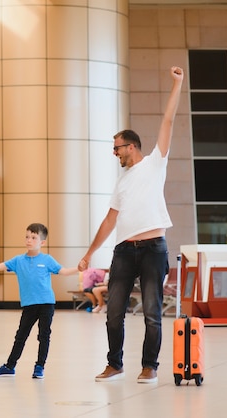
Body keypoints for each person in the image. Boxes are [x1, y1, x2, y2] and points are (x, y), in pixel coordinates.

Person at [78, 66, 184, 384]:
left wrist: (177, 84)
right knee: (113, 313)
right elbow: (110, 219)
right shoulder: (121, 183)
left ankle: (149, 366)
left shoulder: (155, 163)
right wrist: (89, 252)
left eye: (117, 148)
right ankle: (115, 363)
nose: (114, 153)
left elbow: (168, 121)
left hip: (153, 248)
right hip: (124, 250)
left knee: (152, 311)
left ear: (132, 147)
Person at [0, 223, 78, 379]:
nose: (29, 240)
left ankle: (39, 367)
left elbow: (64, 272)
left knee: (43, 335)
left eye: (34, 237)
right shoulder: (18, 260)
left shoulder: (47, 260)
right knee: (21, 335)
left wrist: (79, 268)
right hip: (29, 305)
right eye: (27, 237)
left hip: (46, 303)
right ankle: (9, 366)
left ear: (42, 242)